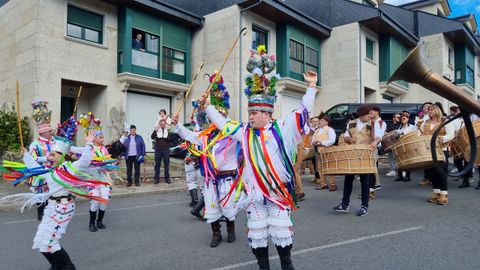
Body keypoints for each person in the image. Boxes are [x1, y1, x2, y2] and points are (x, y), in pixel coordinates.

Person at [205, 45, 318, 269]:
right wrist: (208, 107)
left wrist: (312, 86)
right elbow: (224, 124)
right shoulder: (244, 133)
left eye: (254, 113)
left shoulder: (283, 128)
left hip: (278, 191)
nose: (250, 117)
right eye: (249, 113)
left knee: (280, 228)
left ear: (266, 114)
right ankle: (263, 266)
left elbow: (304, 110)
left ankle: (286, 264)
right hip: (255, 194)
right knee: (257, 232)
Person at [2, 117, 108, 270]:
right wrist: (26, 155)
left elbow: (85, 160)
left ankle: (67, 267)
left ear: (62, 156)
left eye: (52, 154)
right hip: (52, 207)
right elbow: (34, 168)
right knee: (41, 242)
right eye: (49, 154)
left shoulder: (71, 168)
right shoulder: (52, 170)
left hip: (63, 208)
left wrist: (89, 143)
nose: (49, 157)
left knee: (50, 242)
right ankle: (57, 265)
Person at [173, 71, 244, 248]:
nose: (214, 121)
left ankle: (231, 230)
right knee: (212, 207)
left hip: (227, 176)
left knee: (228, 207)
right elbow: (190, 135)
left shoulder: (232, 132)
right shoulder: (206, 135)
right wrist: (176, 125)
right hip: (211, 179)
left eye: (218, 116)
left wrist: (212, 109)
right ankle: (216, 234)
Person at [334, 105, 381, 217]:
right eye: (368, 114)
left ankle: (364, 206)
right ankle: (345, 205)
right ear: (361, 115)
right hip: (352, 154)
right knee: (348, 179)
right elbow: (345, 136)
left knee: (364, 181)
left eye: (371, 114)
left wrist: (375, 142)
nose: (370, 116)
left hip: (365, 155)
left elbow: (379, 137)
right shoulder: (352, 123)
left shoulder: (373, 123)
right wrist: (349, 139)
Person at [75, 113, 116, 232]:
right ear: (94, 138)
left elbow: (108, 160)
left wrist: (111, 165)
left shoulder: (104, 149)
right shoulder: (88, 149)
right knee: (95, 201)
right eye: (100, 137)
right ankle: (91, 222)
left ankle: (100, 221)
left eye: (102, 137)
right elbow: (82, 161)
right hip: (92, 178)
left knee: (105, 199)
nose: (102, 139)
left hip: (103, 177)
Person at [421, 104, 454, 205]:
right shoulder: (425, 122)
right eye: (429, 110)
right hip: (429, 150)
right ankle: (436, 193)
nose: (429, 111)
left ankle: (444, 194)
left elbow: (451, 135)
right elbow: (420, 133)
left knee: (441, 172)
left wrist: (443, 138)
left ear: (437, 111)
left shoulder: (445, 121)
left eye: (432, 109)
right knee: (431, 172)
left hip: (442, 149)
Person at [28, 99, 54, 220]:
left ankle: (51, 211)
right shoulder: (35, 144)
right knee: (41, 193)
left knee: (52, 192)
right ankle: (40, 213)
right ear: (43, 133)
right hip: (41, 172)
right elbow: (32, 159)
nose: (51, 132)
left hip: (53, 171)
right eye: (49, 131)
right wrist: (46, 158)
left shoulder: (55, 142)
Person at [312, 115, 337, 191]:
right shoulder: (317, 130)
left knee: (329, 167)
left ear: (326, 122)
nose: (320, 121)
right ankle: (323, 184)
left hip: (327, 150)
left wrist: (322, 142)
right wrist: (313, 142)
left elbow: (332, 140)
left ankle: (333, 184)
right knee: (319, 168)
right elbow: (313, 139)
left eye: (322, 120)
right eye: (320, 120)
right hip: (318, 150)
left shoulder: (330, 130)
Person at [394, 112, 417, 182]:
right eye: (401, 118)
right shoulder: (399, 127)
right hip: (400, 145)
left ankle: (407, 176)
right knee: (399, 160)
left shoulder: (412, 127)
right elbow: (396, 137)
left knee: (408, 160)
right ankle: (400, 176)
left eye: (404, 118)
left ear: (408, 119)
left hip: (408, 144)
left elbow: (414, 134)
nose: (403, 119)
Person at [369, 106, 386, 195]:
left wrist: (375, 143)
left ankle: (373, 186)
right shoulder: (369, 122)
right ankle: (376, 184)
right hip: (368, 146)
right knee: (372, 165)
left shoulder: (381, 123)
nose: (370, 113)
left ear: (377, 112)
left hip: (376, 146)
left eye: (372, 112)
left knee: (372, 165)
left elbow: (380, 135)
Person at [151, 119, 171, 184]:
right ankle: (156, 179)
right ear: (159, 125)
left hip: (166, 150)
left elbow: (172, 139)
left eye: (164, 124)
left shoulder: (168, 130)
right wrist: (155, 130)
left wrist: (169, 135)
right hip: (158, 150)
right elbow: (152, 137)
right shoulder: (157, 130)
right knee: (157, 165)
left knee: (166, 164)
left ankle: (167, 178)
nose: (162, 125)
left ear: (165, 125)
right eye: (161, 124)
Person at [385, 113, 401, 177]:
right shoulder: (389, 124)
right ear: (393, 118)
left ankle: (402, 171)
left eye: (399, 117)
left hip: (399, 143)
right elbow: (386, 132)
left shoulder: (401, 125)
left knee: (399, 157)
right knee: (391, 157)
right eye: (398, 117)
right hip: (391, 143)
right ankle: (392, 170)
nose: (399, 119)